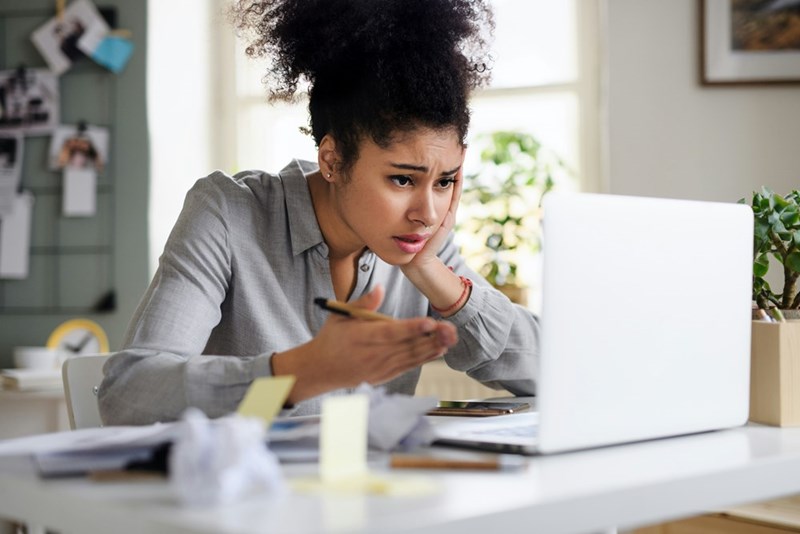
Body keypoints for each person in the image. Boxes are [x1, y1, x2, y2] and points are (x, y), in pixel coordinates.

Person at [98, 0, 540, 426]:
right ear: (331, 160)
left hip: (375, 497)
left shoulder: (423, 247)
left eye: (445, 181)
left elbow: (555, 372)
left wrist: (436, 276)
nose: (427, 213)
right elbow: (128, 394)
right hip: (248, 496)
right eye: (402, 180)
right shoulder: (228, 214)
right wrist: (299, 372)